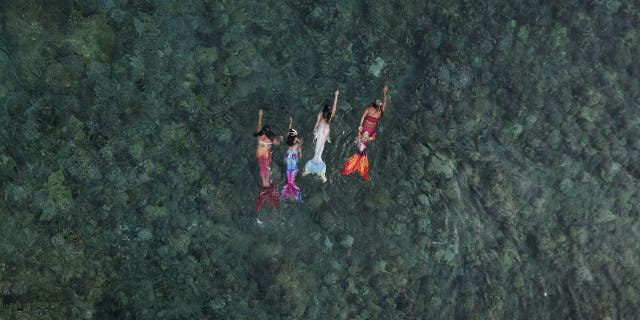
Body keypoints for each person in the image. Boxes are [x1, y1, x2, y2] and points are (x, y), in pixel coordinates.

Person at [341, 85, 388, 180]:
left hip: (367, 128)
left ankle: (358, 161)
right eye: (379, 102)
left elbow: (362, 117)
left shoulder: (370, 108)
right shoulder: (379, 111)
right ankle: (360, 159)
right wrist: (384, 93)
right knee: (363, 143)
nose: (380, 102)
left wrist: (360, 126)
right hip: (370, 129)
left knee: (362, 143)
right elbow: (385, 103)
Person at [303, 90, 339, 182]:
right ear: (329, 110)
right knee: (321, 147)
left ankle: (309, 170)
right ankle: (319, 172)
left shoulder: (321, 113)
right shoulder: (330, 116)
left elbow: (317, 123)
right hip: (326, 130)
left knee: (318, 148)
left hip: (320, 130)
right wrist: (336, 96)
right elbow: (334, 109)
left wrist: (314, 131)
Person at [255, 109, 283, 211]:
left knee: (264, 174)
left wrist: (260, 115)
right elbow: (277, 143)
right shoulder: (269, 137)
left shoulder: (259, 133)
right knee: (265, 176)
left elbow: (259, 124)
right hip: (265, 156)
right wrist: (281, 138)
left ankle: (267, 192)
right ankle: (268, 194)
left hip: (259, 156)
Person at [281, 117, 303, 202]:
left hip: (287, 155)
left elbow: (289, 130)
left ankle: (288, 187)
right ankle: (291, 190)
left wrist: (290, 122)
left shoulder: (288, 138)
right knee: (293, 171)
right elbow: (300, 151)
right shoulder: (297, 142)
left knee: (288, 170)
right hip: (293, 156)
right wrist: (300, 154)